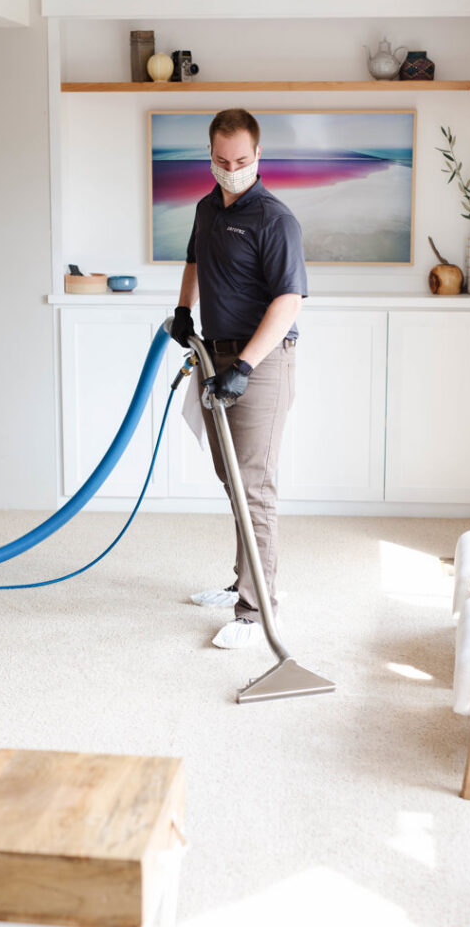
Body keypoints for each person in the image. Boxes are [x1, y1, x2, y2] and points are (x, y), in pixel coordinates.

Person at [169, 109, 307, 649]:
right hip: (215, 355)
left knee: (255, 486)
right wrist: (184, 310)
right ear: (210, 155)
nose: (232, 170)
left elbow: (289, 301)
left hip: (262, 362)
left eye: (242, 161)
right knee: (232, 478)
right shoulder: (206, 207)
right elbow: (194, 262)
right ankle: (247, 581)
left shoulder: (275, 219)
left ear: (258, 155)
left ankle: (256, 611)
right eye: (222, 161)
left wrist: (245, 366)